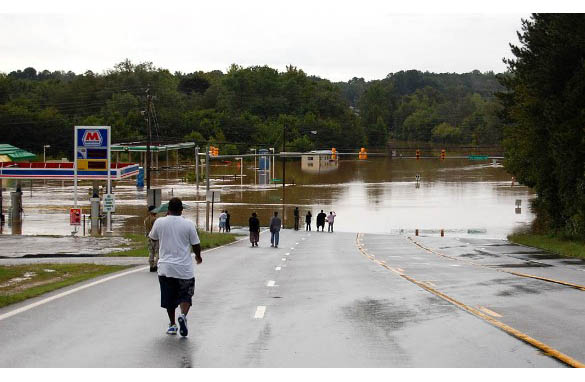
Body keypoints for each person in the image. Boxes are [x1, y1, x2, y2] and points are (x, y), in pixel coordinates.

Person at [148, 197, 202, 337]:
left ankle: (172, 325)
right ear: (181, 210)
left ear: (168, 210)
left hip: (166, 268)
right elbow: (195, 244)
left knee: (169, 298)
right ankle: (183, 316)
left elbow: (153, 237)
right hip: (184, 269)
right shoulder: (188, 224)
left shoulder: (160, 222)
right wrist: (198, 256)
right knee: (186, 295)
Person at [144, 205, 159, 272]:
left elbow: (146, 229)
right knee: (157, 252)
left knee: (151, 252)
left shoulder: (146, 220)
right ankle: (155, 265)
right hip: (156, 238)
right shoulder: (156, 220)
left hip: (149, 237)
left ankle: (151, 265)